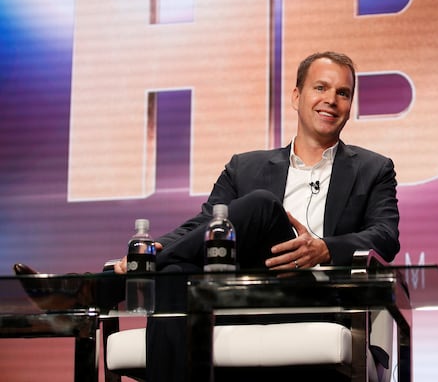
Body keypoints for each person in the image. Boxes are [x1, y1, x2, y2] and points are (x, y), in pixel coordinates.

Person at [115, 51, 401, 381]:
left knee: (263, 205)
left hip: (317, 300)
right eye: (321, 88)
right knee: (175, 273)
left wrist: (324, 249)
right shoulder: (245, 167)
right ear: (296, 97)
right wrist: (159, 246)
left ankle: (142, 271)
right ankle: (156, 263)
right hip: (241, 297)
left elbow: (385, 236)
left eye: (343, 93)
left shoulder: (374, 169)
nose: (331, 100)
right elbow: (205, 223)